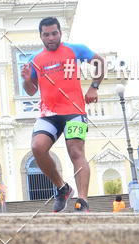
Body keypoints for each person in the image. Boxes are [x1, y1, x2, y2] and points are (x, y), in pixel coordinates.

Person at [21, 17, 106, 213]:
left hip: (74, 111)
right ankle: (62, 188)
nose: (50, 37)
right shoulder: (35, 60)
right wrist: (26, 80)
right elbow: (31, 91)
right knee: (37, 147)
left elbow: (100, 63)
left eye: (54, 33)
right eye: (46, 34)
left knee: (75, 151)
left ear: (60, 33)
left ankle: (82, 200)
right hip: (48, 114)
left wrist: (93, 87)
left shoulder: (76, 49)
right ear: (41, 36)